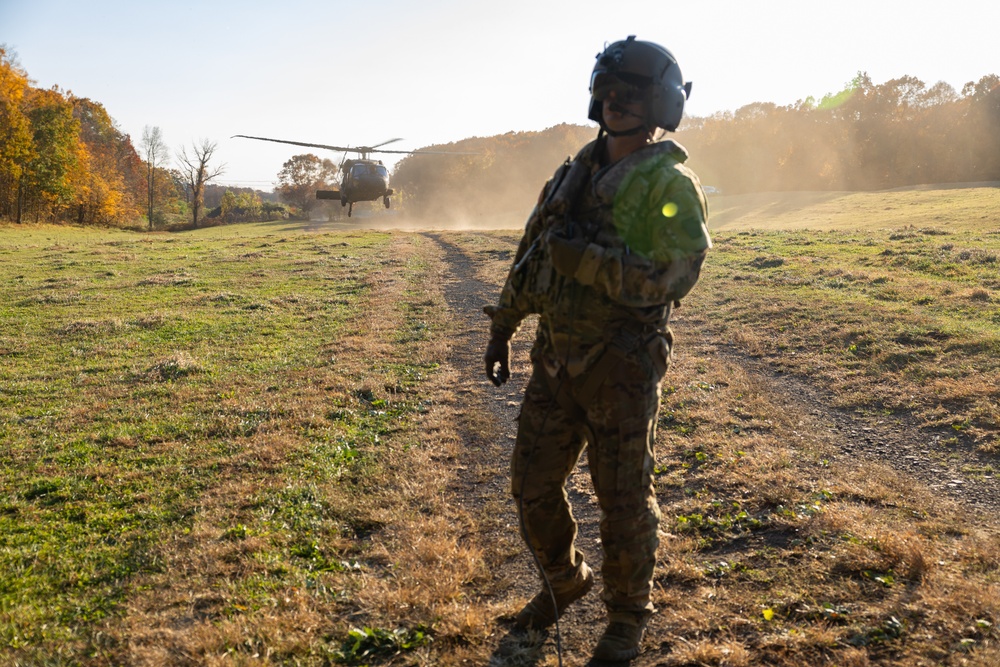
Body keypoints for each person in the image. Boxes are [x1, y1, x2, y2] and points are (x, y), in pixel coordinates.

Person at [483, 36, 711, 662]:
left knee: (624, 501)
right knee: (530, 487)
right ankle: (563, 581)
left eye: (631, 93)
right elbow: (533, 257)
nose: (615, 103)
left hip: (622, 370)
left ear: (659, 103)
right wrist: (504, 325)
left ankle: (628, 616)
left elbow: (674, 277)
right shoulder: (570, 174)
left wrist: (587, 263)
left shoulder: (667, 182)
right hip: (554, 365)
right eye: (608, 91)